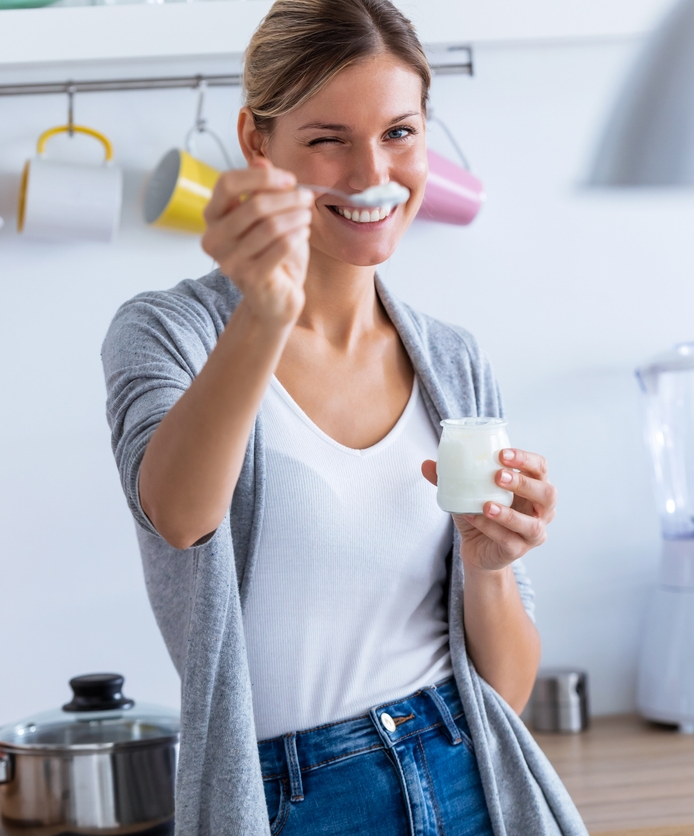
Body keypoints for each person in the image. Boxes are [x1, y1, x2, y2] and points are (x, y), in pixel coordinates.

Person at [102, 1, 586, 833]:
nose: (371, 173)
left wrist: (490, 561)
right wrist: (265, 312)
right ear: (257, 142)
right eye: (328, 139)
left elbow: (504, 685)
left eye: (400, 132)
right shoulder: (166, 334)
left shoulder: (453, 360)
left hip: (466, 773)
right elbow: (178, 516)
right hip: (290, 798)